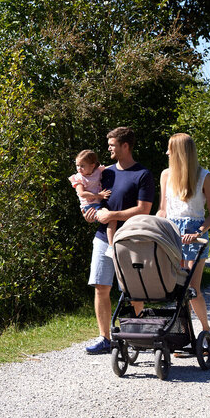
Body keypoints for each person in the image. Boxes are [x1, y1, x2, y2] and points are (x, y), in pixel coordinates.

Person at [82, 127, 155, 354]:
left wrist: (112, 216)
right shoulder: (106, 173)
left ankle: (140, 335)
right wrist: (91, 213)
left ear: (125, 146)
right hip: (103, 237)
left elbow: (144, 210)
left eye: (112, 145)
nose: (109, 148)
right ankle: (105, 338)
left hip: (132, 240)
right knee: (101, 287)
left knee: (134, 289)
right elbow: (96, 198)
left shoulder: (143, 174)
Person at [156, 132, 210, 342]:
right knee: (174, 289)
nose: (166, 153)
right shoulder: (165, 175)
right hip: (171, 232)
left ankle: (205, 329)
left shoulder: (203, 176)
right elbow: (163, 209)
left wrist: (198, 233)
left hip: (194, 234)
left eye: (169, 149)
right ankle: (183, 335)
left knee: (191, 288)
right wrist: (157, 224)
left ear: (180, 153)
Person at [68, 150, 115, 243]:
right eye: (77, 165)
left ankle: (111, 245)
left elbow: (109, 167)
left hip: (98, 204)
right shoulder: (79, 178)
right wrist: (99, 195)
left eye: (82, 166)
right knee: (111, 218)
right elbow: (82, 193)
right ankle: (111, 246)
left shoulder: (97, 171)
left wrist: (121, 165)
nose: (79, 168)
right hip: (89, 207)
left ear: (92, 165)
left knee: (112, 219)